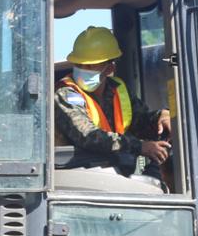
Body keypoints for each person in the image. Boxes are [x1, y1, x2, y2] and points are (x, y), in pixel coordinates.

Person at [54, 27, 172, 181]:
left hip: (114, 174)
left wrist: (160, 117)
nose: (82, 70)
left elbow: (140, 120)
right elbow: (88, 136)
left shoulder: (118, 90)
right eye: (79, 64)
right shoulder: (67, 94)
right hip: (78, 176)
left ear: (109, 68)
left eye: (89, 66)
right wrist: (140, 147)